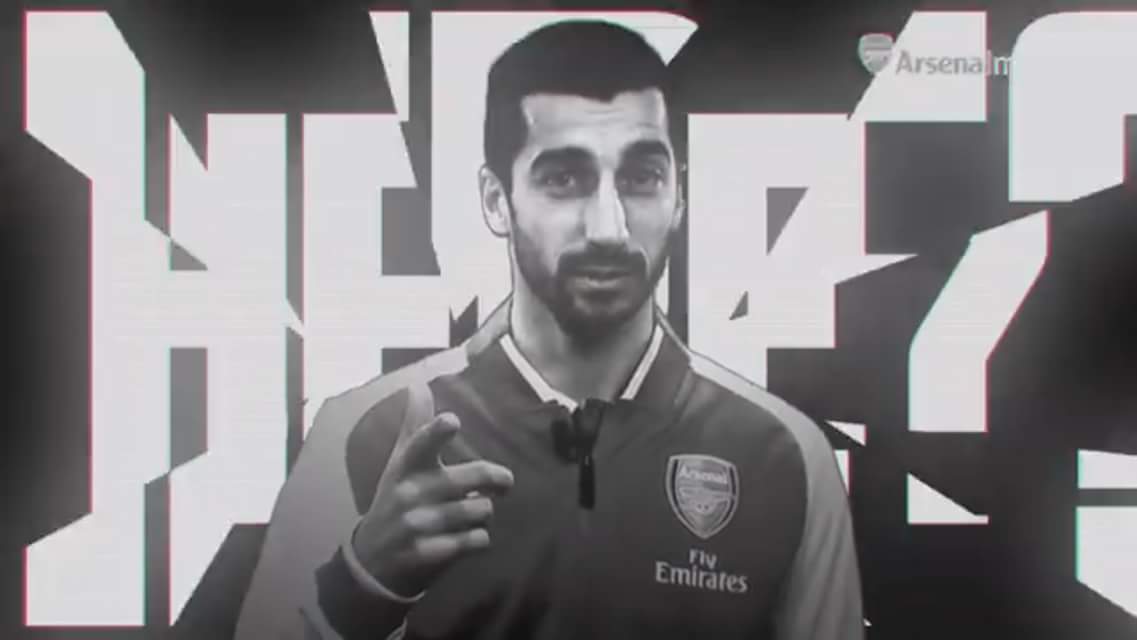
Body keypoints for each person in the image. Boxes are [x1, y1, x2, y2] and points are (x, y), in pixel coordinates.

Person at [235, 19, 862, 640]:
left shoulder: (785, 455)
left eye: (642, 177)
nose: (609, 228)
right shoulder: (363, 433)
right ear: (495, 200)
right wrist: (360, 588)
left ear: (679, 195)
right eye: (564, 179)